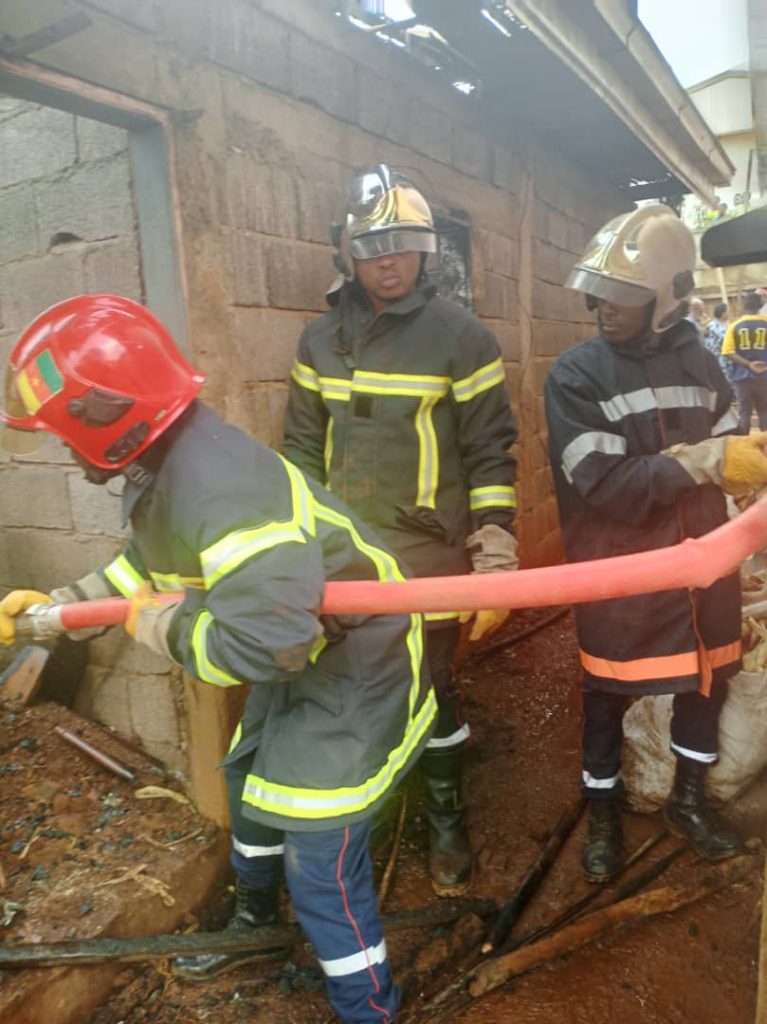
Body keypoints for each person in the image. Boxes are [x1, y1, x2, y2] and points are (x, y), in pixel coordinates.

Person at [0, 294, 437, 1024]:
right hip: (304, 641)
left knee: (318, 854)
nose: (65, 456)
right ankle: (257, 934)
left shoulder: (219, 487)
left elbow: (265, 644)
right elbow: (145, 566)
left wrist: (160, 632)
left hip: (356, 657)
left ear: (108, 426)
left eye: (64, 437)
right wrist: (55, 609)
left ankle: (369, 1008)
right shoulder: (163, 463)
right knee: (249, 781)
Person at [282, 164, 518, 897]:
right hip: (340, 556)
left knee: (434, 690)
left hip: (426, 554)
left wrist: (495, 544)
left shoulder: (463, 339)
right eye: (372, 245)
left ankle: (445, 817)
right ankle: (373, 805)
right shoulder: (317, 342)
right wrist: (290, 545)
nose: (388, 259)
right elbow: (295, 452)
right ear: (345, 253)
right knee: (347, 687)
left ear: (426, 252)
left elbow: (488, 450)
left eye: (404, 244)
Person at [544, 205, 767, 883]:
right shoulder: (574, 375)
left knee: (705, 688)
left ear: (666, 299)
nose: (600, 307)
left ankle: (687, 803)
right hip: (622, 576)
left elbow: (734, 451)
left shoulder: (703, 363)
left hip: (705, 576)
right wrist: (704, 462)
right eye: (596, 292)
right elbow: (604, 485)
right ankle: (602, 813)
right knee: (606, 698)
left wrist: (745, 488)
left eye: (621, 296)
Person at [722, 291, 767, 434]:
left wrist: (748, 365)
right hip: (764, 377)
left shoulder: (734, 326)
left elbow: (728, 352)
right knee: (764, 411)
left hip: (741, 378)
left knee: (744, 413)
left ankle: (744, 448)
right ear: (761, 305)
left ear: (743, 306)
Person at [703, 302, 730, 377]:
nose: (729, 313)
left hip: (723, 359)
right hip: (718, 359)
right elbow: (724, 339)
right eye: (727, 311)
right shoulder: (714, 325)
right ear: (723, 313)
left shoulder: (723, 325)